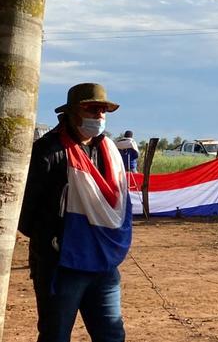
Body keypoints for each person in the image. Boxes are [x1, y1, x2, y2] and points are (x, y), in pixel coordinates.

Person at [19, 83, 132, 342]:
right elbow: (26, 215)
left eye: (103, 110)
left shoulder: (110, 152)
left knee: (112, 336)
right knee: (56, 336)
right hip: (62, 266)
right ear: (72, 112)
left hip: (103, 265)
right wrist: (54, 241)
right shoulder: (49, 151)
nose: (99, 116)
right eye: (92, 109)